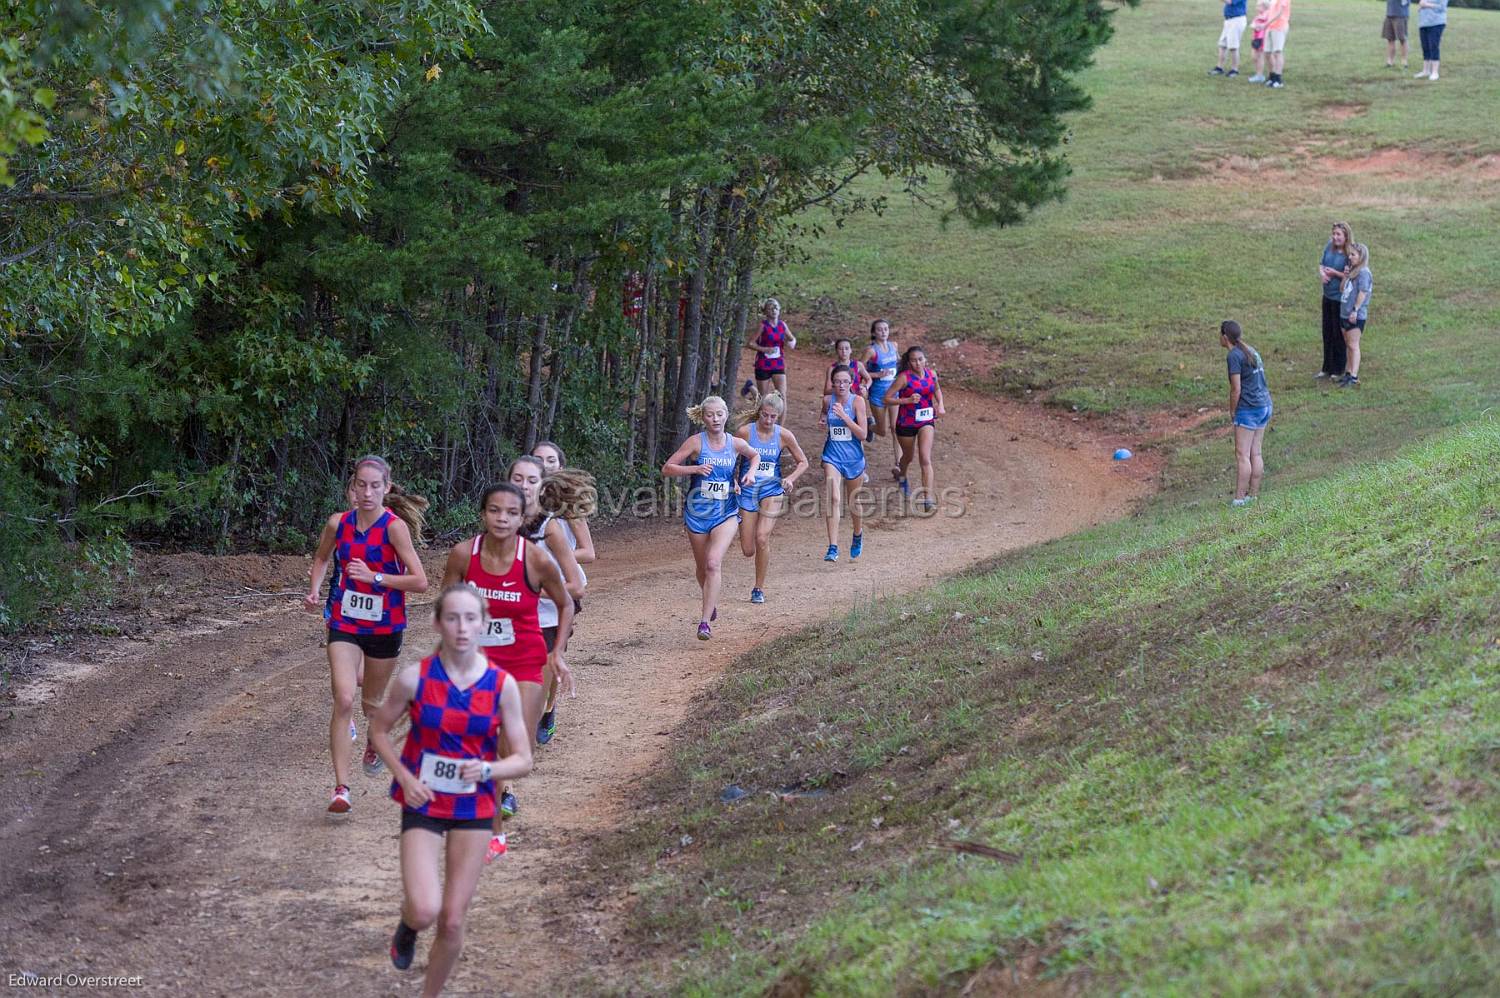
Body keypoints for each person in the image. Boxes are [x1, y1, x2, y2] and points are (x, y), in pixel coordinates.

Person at [368, 585, 532, 995]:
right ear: (438, 623)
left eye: (471, 618)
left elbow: (523, 759)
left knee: (453, 919)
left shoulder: (501, 685)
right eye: (453, 618)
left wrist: (489, 768)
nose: (462, 628)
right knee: (425, 909)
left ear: (485, 623)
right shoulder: (414, 678)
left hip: (473, 806)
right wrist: (404, 778)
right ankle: (408, 926)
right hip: (423, 800)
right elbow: (379, 729)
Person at [440, 481, 575, 862]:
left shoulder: (535, 559)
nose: (502, 518)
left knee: (519, 749)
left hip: (526, 662)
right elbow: (446, 603)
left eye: (511, 513)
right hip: (478, 663)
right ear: (482, 513)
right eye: (494, 511)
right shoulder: (463, 555)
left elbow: (565, 604)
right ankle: (492, 827)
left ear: (523, 517)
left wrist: (558, 652)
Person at [304, 456, 429, 815]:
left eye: (376, 486)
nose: (368, 492)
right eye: (362, 484)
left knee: (372, 704)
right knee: (344, 698)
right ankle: (341, 787)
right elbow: (321, 558)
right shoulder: (337, 523)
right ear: (353, 487)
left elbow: (419, 582)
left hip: (385, 625)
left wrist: (375, 577)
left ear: (387, 488)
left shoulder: (394, 528)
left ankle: (376, 742)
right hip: (344, 621)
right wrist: (314, 590)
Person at [662, 396, 759, 639]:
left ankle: (704, 622)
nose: (715, 419)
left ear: (726, 415)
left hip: (726, 511)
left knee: (714, 562)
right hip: (697, 513)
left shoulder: (735, 443)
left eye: (719, 414)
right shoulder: (696, 443)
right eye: (710, 415)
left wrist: (751, 474)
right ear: (703, 417)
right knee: (702, 567)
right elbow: (667, 468)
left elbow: (754, 456)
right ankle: (710, 600)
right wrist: (694, 469)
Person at [530, 441, 595, 748]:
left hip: (560, 590)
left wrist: (557, 556)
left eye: (551, 459)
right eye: (539, 459)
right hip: (528, 590)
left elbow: (589, 553)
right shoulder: (518, 507)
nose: (545, 464)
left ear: (560, 464)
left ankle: (548, 708)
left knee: (552, 659)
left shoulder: (568, 510)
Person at [734, 392, 810, 603]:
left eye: (773, 417)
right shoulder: (744, 433)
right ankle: (757, 563)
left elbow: (803, 462)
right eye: (765, 415)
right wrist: (733, 481)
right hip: (748, 490)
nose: (768, 420)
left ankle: (758, 588)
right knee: (748, 550)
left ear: (779, 416)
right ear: (759, 412)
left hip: (772, 490)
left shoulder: (784, 435)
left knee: (762, 537)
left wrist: (791, 478)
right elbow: (730, 459)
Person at [884, 347, 945, 513]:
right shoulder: (904, 378)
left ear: (925, 359)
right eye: (913, 360)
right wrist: (907, 400)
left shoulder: (931, 374)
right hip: (906, 422)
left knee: (925, 458)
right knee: (908, 457)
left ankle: (928, 498)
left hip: (926, 420)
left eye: (920, 359)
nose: (917, 363)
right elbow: (887, 398)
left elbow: (937, 389)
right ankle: (902, 474)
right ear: (908, 362)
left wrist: (940, 404)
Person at [1220, 320, 1272, 507]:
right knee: (1255, 453)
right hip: (1264, 405)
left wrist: (1233, 411)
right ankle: (1253, 495)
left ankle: (1239, 499)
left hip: (1249, 409)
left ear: (1225, 337)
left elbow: (1236, 389)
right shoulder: (1250, 350)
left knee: (1242, 454)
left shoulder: (1234, 356)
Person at [821, 366, 869, 562]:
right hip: (832, 456)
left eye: (845, 382)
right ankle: (832, 547)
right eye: (837, 381)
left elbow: (863, 434)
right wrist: (823, 421)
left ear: (851, 383)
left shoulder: (857, 401)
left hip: (854, 458)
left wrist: (845, 417)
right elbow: (823, 417)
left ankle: (857, 534)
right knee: (833, 497)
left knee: (853, 501)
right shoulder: (826, 400)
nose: (841, 385)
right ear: (832, 382)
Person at [860, 319, 902, 478]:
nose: (883, 332)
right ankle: (870, 426)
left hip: (893, 392)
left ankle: (899, 465)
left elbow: (897, 364)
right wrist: (877, 374)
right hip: (877, 394)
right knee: (882, 431)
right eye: (879, 329)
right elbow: (858, 369)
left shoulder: (894, 346)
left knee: (896, 428)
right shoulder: (871, 351)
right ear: (874, 332)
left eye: (886, 329)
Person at [1316, 222, 1352, 381]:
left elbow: (1351, 276)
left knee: (1338, 334)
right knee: (1327, 332)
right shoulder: (1329, 246)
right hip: (1327, 296)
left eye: (1339, 235)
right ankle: (1326, 368)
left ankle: (1339, 369)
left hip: (1340, 299)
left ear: (1346, 237)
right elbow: (1321, 264)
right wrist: (1322, 274)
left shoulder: (1349, 254)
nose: (1335, 237)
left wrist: (1335, 273)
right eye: (1334, 234)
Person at [745, 299, 796, 401]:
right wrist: (764, 349)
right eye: (771, 308)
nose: (774, 310)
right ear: (765, 312)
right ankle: (750, 387)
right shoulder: (763, 326)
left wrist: (790, 343)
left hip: (778, 363)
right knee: (762, 397)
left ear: (779, 309)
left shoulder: (782, 325)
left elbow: (792, 339)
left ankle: (782, 418)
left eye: (776, 307)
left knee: (782, 396)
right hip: (763, 363)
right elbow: (750, 343)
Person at [1339, 243, 1373, 388]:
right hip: (1344, 312)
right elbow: (1342, 289)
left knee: (1353, 345)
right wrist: (1345, 277)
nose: (1350, 257)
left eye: (1353, 255)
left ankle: (1354, 375)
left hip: (1355, 314)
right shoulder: (1352, 271)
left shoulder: (1364, 273)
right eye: (1350, 254)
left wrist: (1355, 309)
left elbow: (1363, 292)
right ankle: (1348, 372)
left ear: (1361, 257)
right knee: (1348, 344)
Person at [1211, 0, 1248, 77]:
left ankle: (1234, 69)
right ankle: (1219, 67)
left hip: (1237, 20)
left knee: (1233, 47)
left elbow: (1229, 1)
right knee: (1222, 45)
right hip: (1228, 20)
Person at [1260, 0, 1290, 88]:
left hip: (1279, 27)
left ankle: (1278, 79)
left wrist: (1266, 23)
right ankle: (1272, 76)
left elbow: (1280, 13)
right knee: (1267, 53)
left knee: (1277, 52)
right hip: (1270, 27)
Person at [1415, 0, 1447, 80]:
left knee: (1433, 46)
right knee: (1425, 47)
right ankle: (1426, 71)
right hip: (1424, 23)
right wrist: (1421, 6)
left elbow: (1442, 7)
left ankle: (1435, 72)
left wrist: (1426, 5)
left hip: (1436, 23)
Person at [1247, 0, 1272, 82]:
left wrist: (1257, 25)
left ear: (1264, 7)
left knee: (1259, 56)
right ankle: (1259, 74)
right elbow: (1253, 25)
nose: (1256, 8)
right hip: (1256, 38)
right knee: (1254, 57)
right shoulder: (1259, 15)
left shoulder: (1267, 14)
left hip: (1262, 38)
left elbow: (1264, 23)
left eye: (1258, 6)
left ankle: (1260, 75)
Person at [1384, 0, 1410, 69]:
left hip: (1401, 15)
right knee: (1390, 39)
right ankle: (1390, 62)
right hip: (1389, 14)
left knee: (1402, 39)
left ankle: (1404, 62)